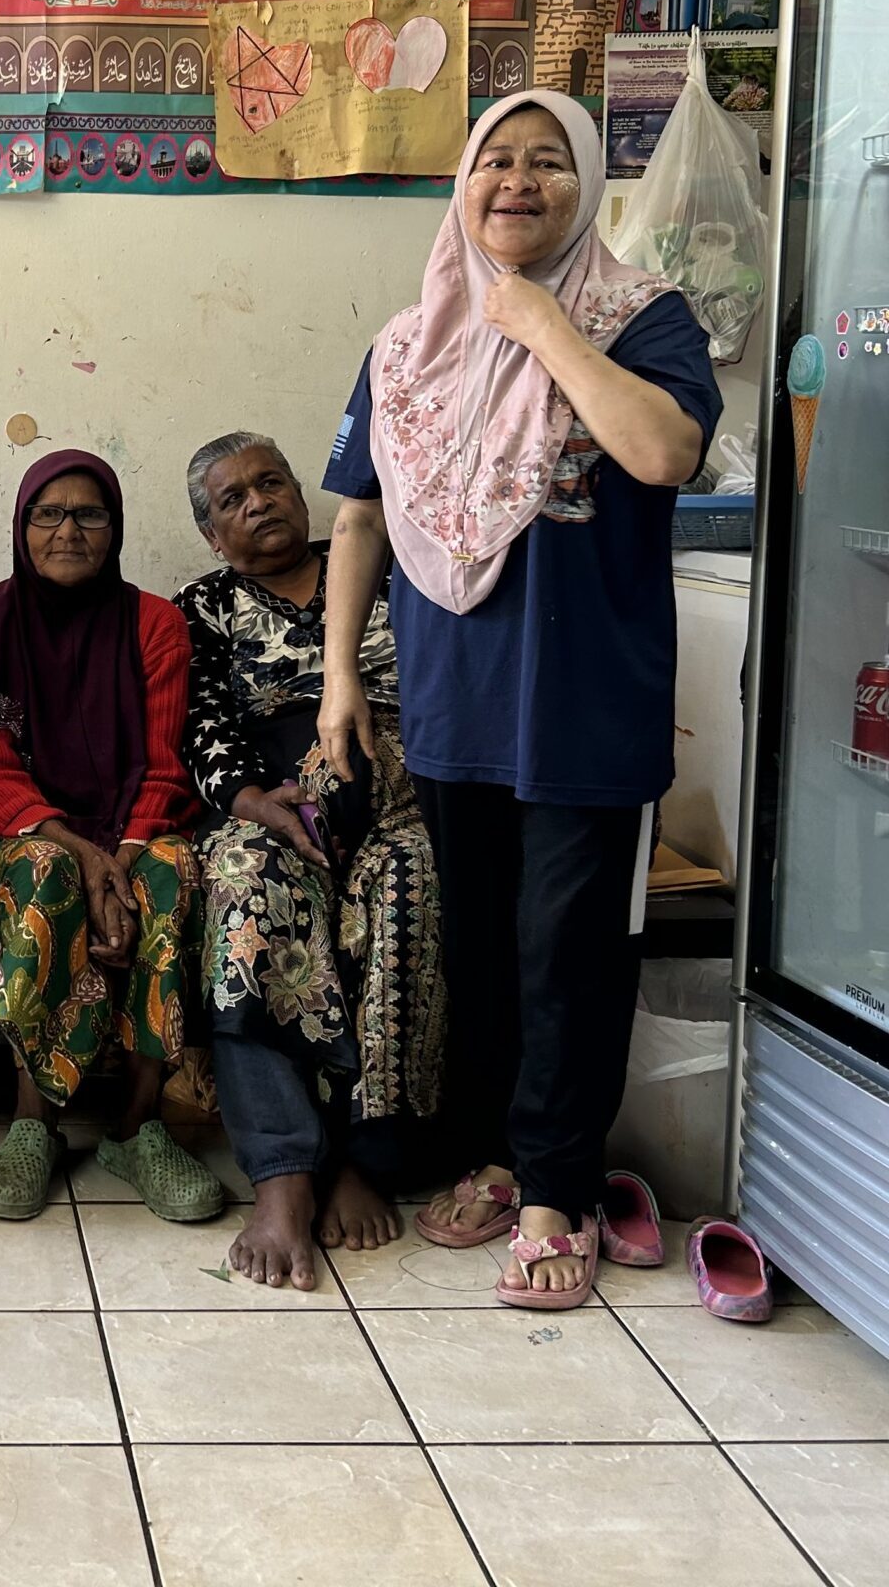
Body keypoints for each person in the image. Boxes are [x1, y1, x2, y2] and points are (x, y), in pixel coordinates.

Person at [318, 90, 721, 1310]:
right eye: (499, 159)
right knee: (483, 950)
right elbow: (362, 513)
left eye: (550, 162)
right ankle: (501, 1156)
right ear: (466, 180)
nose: (520, 181)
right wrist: (342, 674)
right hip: (457, 701)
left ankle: (559, 1193)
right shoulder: (407, 344)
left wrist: (545, 327)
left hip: (586, 704)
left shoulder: (642, 318)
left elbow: (661, 455)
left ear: (586, 186)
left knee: (572, 952)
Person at [176, 432, 444, 1290]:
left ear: (301, 492)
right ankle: (284, 1176)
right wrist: (258, 803)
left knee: (412, 890)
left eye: (271, 483)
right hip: (276, 802)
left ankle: (368, 1159)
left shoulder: (382, 566)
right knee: (243, 890)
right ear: (213, 535)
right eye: (232, 500)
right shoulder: (204, 606)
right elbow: (202, 729)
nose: (258, 502)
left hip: (406, 791)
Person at [0, 450, 223, 1223]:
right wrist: (90, 858)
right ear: (22, 526)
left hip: (140, 826)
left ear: (116, 528)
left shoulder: (156, 624)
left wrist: (124, 856)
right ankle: (34, 1125)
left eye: (89, 514)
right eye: (49, 514)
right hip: (27, 829)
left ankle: (138, 1131)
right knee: (45, 871)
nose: (69, 530)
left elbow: (165, 768)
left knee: (170, 876)